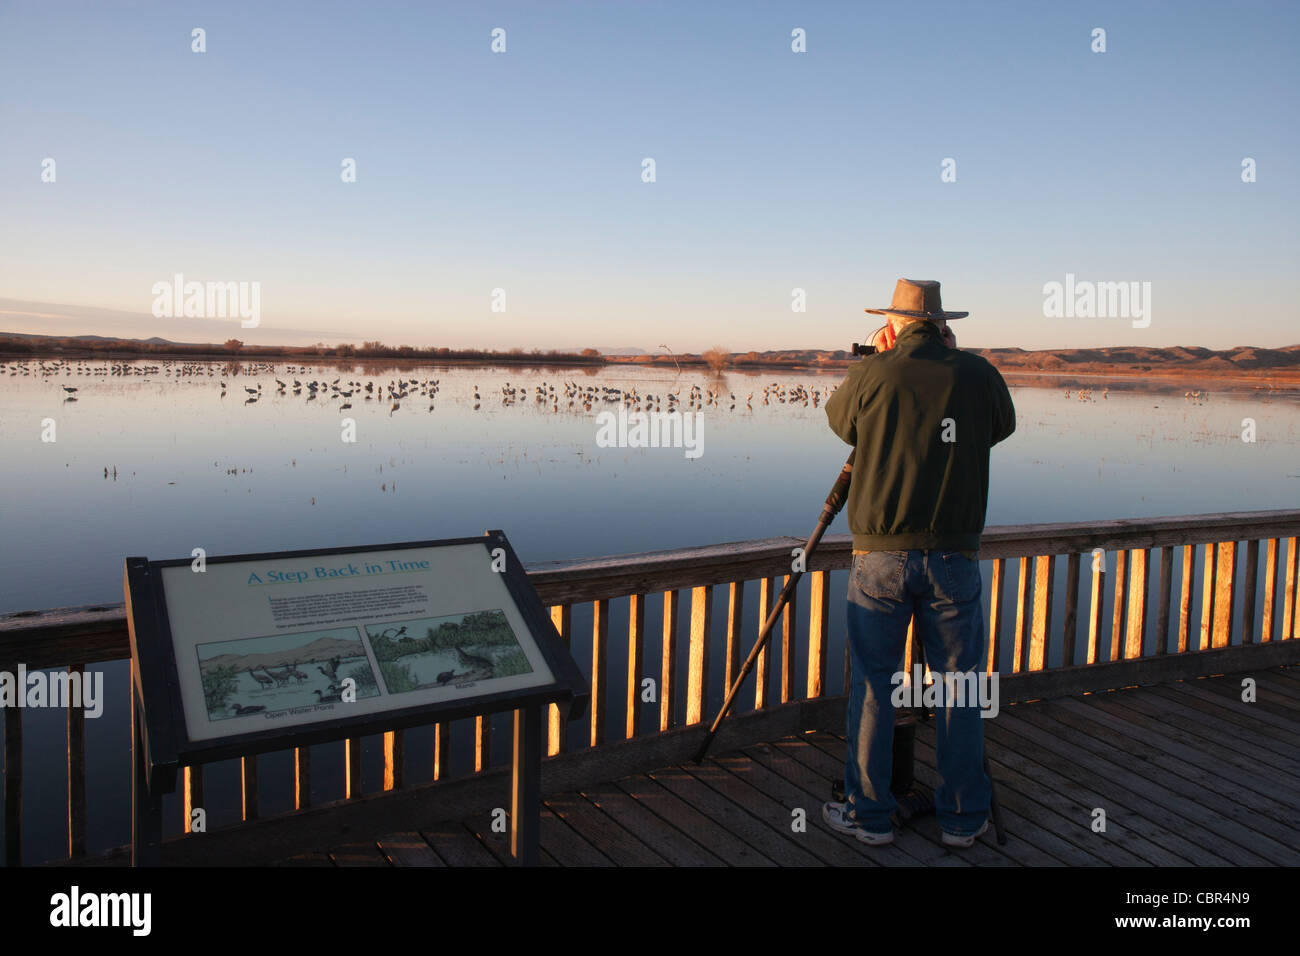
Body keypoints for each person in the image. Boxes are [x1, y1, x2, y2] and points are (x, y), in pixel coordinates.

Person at [822, 278, 1016, 848]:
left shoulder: (872, 373)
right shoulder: (977, 373)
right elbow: (998, 429)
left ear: (895, 323)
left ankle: (870, 816)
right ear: (943, 324)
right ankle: (962, 819)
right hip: (954, 555)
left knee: (875, 686)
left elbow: (841, 427)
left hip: (880, 557)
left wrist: (880, 365)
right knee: (958, 687)